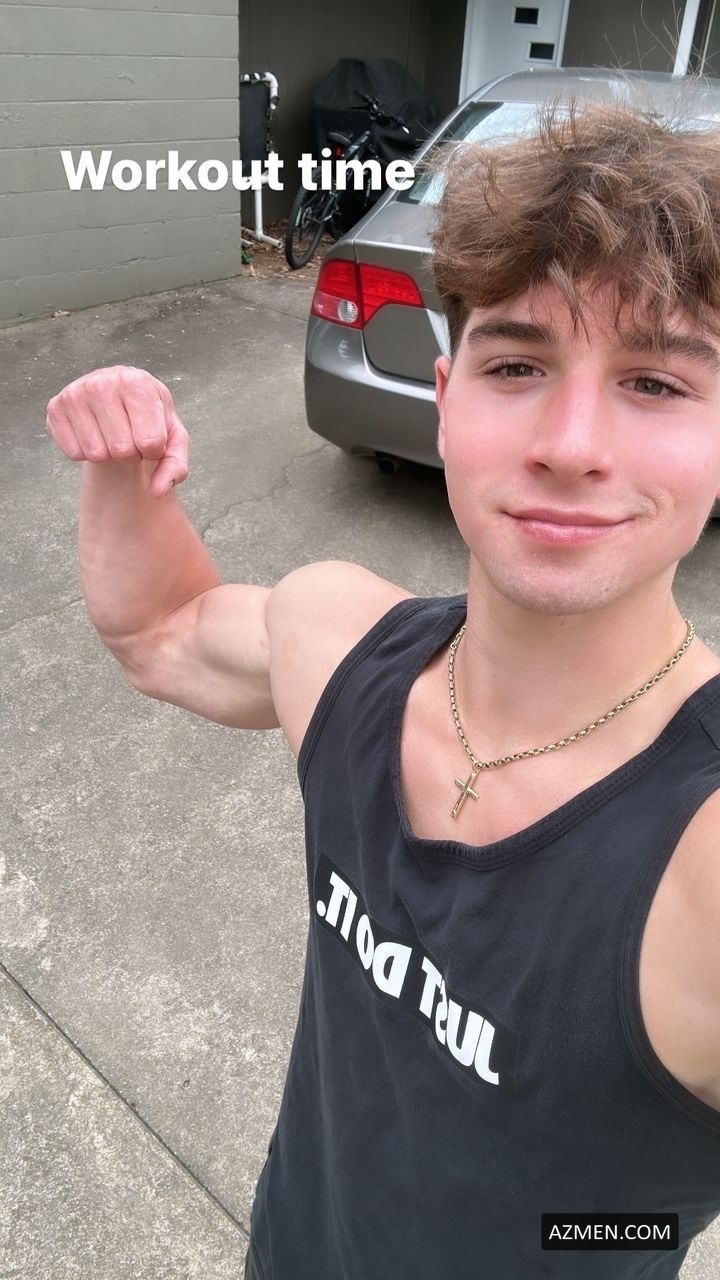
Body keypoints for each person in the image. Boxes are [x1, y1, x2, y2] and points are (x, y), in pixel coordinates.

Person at [46, 102, 720, 1279]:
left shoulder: (702, 860)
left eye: (655, 381)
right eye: (518, 364)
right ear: (447, 398)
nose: (572, 442)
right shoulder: (342, 643)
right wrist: (122, 465)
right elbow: (163, 628)